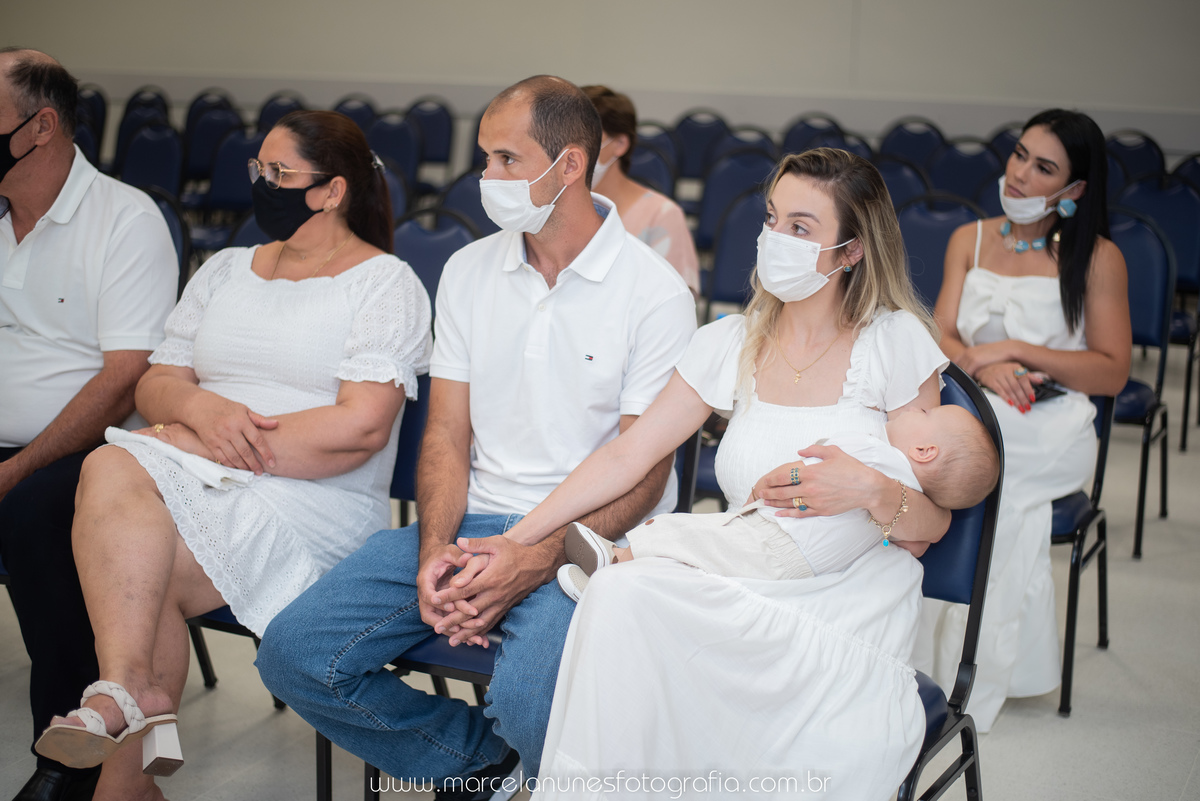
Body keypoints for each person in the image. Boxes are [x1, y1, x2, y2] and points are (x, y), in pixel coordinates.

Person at [460, 147, 955, 800]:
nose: (774, 239)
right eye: (772, 217)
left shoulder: (896, 344)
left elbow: (931, 523)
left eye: (801, 228)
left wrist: (868, 488)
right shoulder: (730, 341)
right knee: (615, 595)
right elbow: (625, 456)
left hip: (840, 604)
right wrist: (517, 539)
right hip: (737, 576)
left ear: (850, 251)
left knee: (627, 598)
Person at [255, 75, 697, 794]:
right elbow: (446, 435)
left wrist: (529, 559)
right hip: (471, 524)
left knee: (525, 699)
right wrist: (436, 553)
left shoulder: (655, 293)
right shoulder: (467, 270)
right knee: (295, 653)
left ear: (571, 164)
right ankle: (483, 764)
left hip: (591, 540)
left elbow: (643, 476)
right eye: (483, 158)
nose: (483, 177)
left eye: (504, 159)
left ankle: (537, 755)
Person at [31, 109, 432, 801]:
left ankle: (128, 716)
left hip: (313, 502)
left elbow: (359, 430)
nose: (262, 184)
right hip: (196, 473)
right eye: (259, 170)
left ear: (331, 191)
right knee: (125, 516)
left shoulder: (385, 283)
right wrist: (199, 411)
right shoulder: (224, 268)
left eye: (281, 173)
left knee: (123, 520)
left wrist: (209, 441)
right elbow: (158, 379)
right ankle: (131, 704)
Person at [916, 109, 1131, 732]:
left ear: (1075, 191)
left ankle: (966, 677)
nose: (1020, 174)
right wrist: (978, 368)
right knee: (920, 470)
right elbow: (943, 334)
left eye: (1044, 168)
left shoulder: (1097, 258)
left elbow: (1113, 370)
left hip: (1052, 421)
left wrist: (1011, 351)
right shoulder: (971, 238)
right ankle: (903, 656)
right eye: (1019, 155)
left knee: (989, 492)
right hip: (976, 405)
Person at [0, 48, 177, 801]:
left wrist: (15, 467)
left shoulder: (124, 220)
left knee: (36, 512)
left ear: (40, 126)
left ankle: (68, 758)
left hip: (82, 450)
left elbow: (122, 381)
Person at [557, 402, 998, 597]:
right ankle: (611, 578)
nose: (910, 412)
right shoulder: (906, 492)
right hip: (798, 567)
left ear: (925, 451)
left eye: (924, 414)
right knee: (692, 557)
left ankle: (614, 562)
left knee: (685, 531)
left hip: (774, 542)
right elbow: (914, 542)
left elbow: (811, 460)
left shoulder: (873, 451)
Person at [582, 85, 699, 297]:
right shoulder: (555, 208)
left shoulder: (662, 216)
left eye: (584, 138)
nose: (570, 151)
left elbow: (678, 302)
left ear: (619, 144)